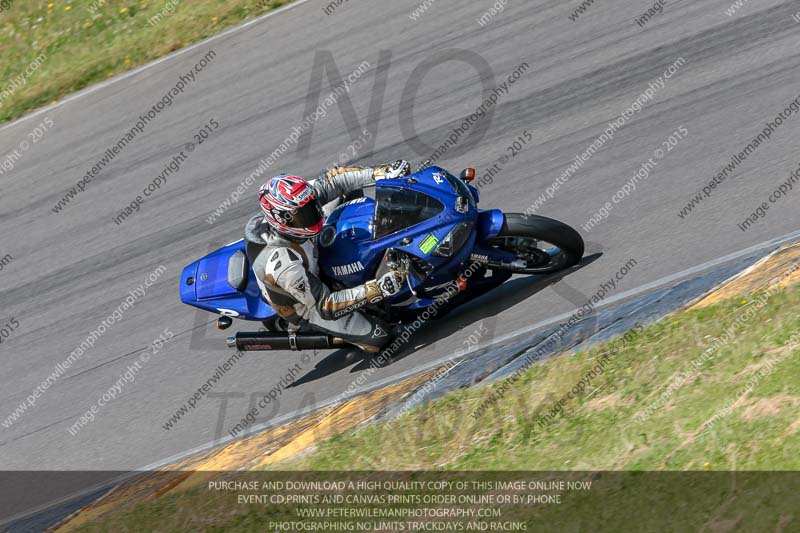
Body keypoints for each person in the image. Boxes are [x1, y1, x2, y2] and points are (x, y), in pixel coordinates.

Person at [244, 160, 411, 353]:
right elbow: (326, 305)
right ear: (282, 221)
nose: (314, 214)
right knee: (380, 336)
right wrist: (376, 289)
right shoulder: (282, 265)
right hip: (309, 304)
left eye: (312, 206)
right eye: (303, 214)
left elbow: (335, 179)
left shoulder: (300, 200)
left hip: (311, 252)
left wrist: (382, 172)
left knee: (346, 190)